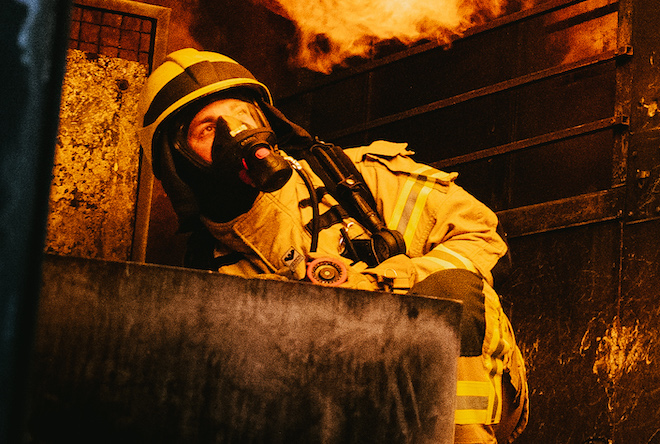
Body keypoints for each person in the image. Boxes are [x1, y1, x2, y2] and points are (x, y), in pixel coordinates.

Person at [141, 48, 528, 444]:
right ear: (177, 159)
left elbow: (484, 237)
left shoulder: (356, 176)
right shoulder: (204, 274)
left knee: (450, 294)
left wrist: (379, 284)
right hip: (338, 415)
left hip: (466, 397)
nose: (237, 134)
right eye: (208, 129)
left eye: (244, 116)